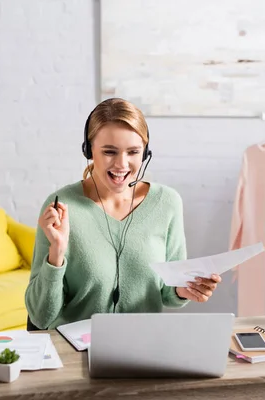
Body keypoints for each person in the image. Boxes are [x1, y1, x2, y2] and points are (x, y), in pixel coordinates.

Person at [24, 98, 221, 330]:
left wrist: (184, 289)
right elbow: (40, 317)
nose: (122, 164)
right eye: (109, 151)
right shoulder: (62, 206)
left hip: (142, 349)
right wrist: (56, 254)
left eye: (133, 152)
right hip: (76, 352)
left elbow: (168, 294)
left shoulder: (167, 203)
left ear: (145, 153)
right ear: (89, 151)